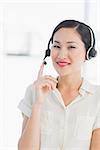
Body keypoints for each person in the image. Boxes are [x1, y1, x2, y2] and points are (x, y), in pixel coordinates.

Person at [18, 20, 100, 150]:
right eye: (56, 46)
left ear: (88, 53)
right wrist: (38, 104)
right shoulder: (35, 91)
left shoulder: (97, 98)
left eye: (71, 47)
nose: (61, 55)